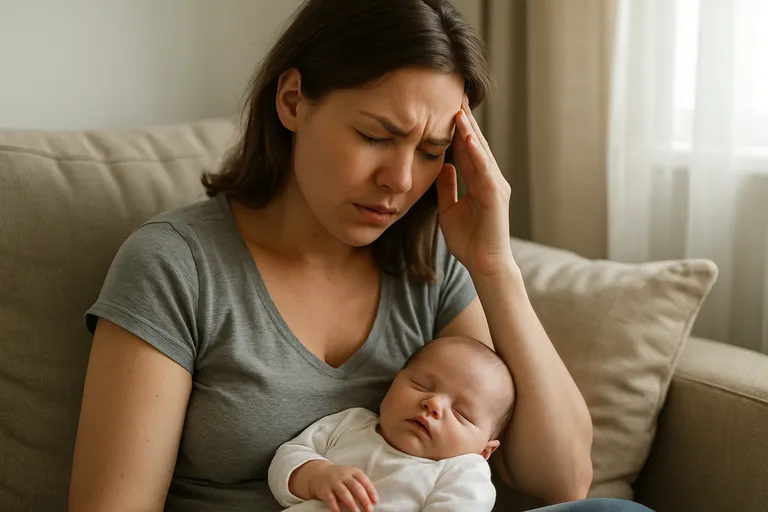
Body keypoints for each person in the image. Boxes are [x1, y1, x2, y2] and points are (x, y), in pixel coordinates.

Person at [68, 0, 652, 511]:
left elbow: (565, 480)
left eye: (429, 151)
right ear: (294, 101)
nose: (399, 180)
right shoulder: (177, 266)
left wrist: (495, 268)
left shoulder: (430, 271)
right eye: (376, 136)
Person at [268, 336, 516, 512]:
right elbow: (288, 457)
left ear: (483, 451)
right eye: (422, 386)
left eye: (461, 413)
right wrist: (316, 475)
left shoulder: (461, 470)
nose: (434, 404)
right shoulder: (351, 423)